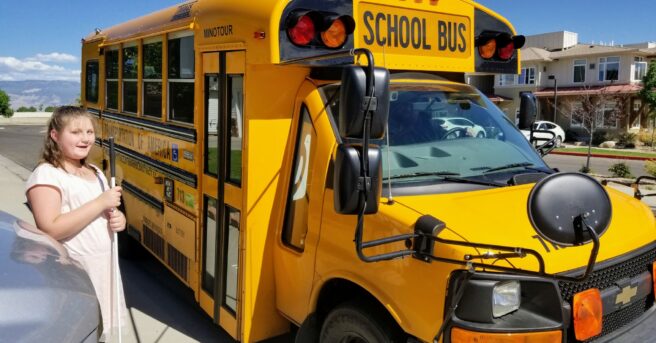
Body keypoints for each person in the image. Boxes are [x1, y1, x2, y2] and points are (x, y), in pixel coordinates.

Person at [25, 106, 127, 342]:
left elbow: (104, 215)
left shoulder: (95, 172)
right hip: (73, 275)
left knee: (100, 333)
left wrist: (117, 219)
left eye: (90, 132)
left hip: (103, 273)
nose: (85, 138)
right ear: (55, 135)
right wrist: (101, 202)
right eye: (76, 132)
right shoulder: (47, 175)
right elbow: (50, 228)